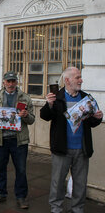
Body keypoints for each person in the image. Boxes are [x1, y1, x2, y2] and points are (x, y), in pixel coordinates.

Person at [40, 67, 103, 213]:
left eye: (80, 78)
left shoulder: (86, 98)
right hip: (62, 149)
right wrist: (49, 104)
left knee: (80, 183)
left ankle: (78, 209)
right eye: (78, 77)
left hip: (82, 149)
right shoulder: (57, 97)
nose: (81, 80)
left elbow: (92, 122)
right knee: (58, 182)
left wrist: (98, 118)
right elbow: (45, 116)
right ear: (67, 80)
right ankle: (56, 208)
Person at [0, 71, 35, 209]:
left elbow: (32, 120)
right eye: (8, 81)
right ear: (4, 82)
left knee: (21, 170)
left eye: (13, 81)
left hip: (19, 140)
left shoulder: (25, 98)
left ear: (16, 82)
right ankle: (1, 193)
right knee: (0, 168)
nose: (11, 84)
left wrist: (25, 115)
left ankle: (21, 197)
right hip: (1, 140)